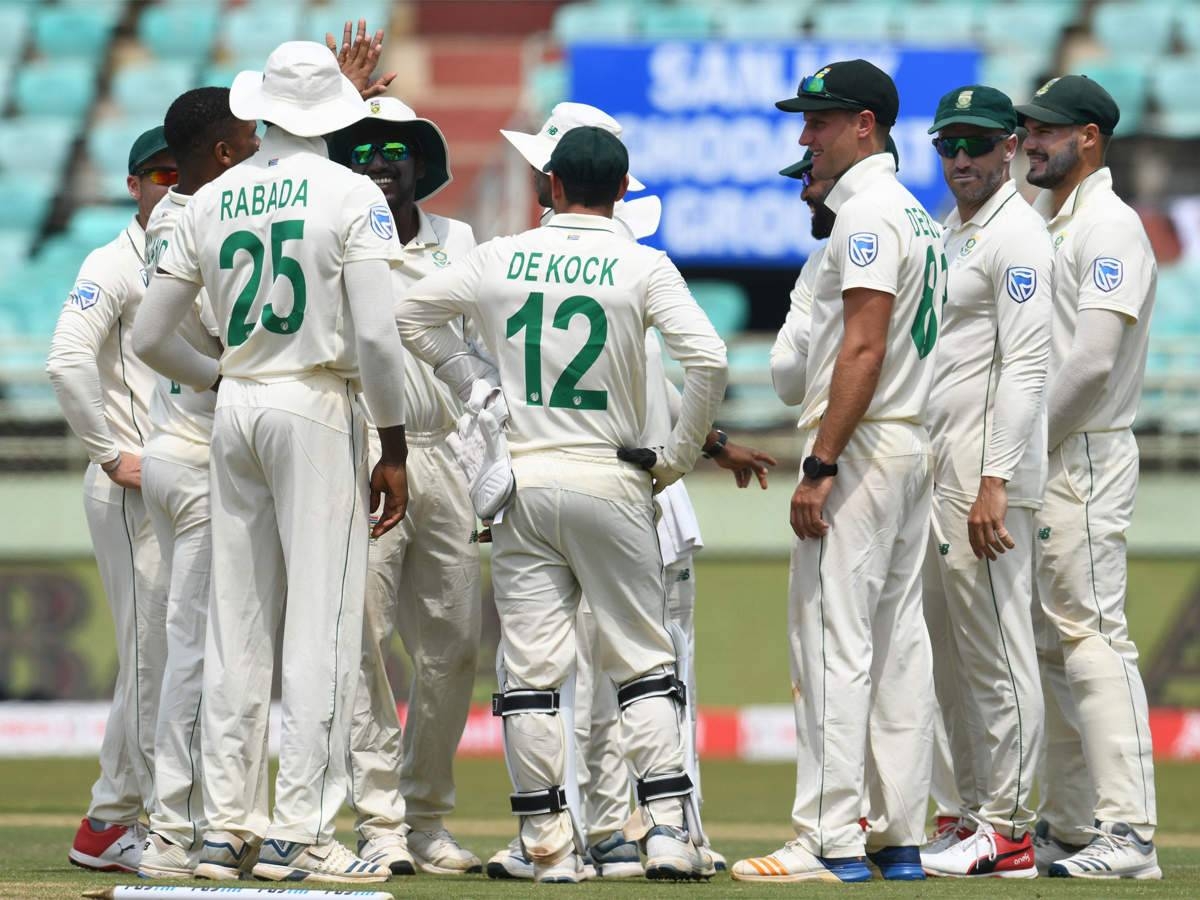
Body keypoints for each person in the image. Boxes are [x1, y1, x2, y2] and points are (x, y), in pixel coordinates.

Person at [397, 125, 728, 883]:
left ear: (549, 186)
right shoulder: (643, 263)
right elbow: (707, 359)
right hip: (612, 475)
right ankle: (669, 833)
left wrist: (473, 379)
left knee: (531, 672)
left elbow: (413, 315)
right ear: (621, 190)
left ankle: (545, 843)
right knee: (643, 661)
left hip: (524, 478)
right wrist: (676, 457)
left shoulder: (499, 256)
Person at [132, 41, 410, 883]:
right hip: (317, 401)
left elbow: (149, 337)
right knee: (320, 623)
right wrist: (393, 442)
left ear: (261, 112)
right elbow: (374, 335)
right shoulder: (354, 193)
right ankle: (301, 832)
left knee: (237, 626)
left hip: (239, 405)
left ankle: (224, 831)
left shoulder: (211, 197)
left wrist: (218, 377)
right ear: (335, 111)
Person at [734, 59, 944, 883]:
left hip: (863, 445)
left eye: (818, 122)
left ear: (866, 125)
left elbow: (864, 344)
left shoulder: (863, 217)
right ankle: (896, 835)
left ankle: (826, 837)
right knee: (896, 650)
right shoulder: (914, 214)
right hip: (908, 441)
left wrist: (821, 461)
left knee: (833, 640)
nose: (803, 137)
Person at [326, 96, 483, 877]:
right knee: (363, 639)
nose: (377, 165)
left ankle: (426, 818)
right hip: (361, 446)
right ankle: (379, 822)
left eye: (393, 151)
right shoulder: (336, 233)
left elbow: (484, 358)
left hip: (446, 450)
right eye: (359, 152)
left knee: (453, 645)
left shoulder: (461, 241)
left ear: (420, 164)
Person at [1016, 75, 1161, 880]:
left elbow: (1093, 364)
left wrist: (1018, 451)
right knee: (1051, 644)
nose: (1032, 141)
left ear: (1091, 138)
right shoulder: (1053, 222)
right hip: (1053, 452)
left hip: (1086, 450)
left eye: (1049, 130)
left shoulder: (1109, 226)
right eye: (1029, 129)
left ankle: (1130, 833)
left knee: (1092, 634)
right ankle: (1073, 827)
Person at [916, 84, 1052, 879]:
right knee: (955, 657)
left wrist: (995, 478)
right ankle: (972, 814)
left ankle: (1010, 831)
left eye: (976, 142)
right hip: (943, 466)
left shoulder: (1020, 237)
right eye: (948, 144)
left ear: (1010, 146)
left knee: (999, 652)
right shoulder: (947, 233)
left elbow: (1028, 365)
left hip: (985, 472)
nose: (959, 157)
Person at [135, 88, 260, 878]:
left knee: (199, 644)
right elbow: (221, 332)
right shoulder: (200, 221)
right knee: (204, 648)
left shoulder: (175, 217)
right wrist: (225, 380)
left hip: (178, 451)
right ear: (220, 154)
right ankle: (181, 829)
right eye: (250, 139)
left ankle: (182, 823)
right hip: (201, 449)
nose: (258, 149)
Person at [47, 126, 174, 875]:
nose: (170, 184)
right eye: (157, 173)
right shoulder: (112, 262)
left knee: (171, 650)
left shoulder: (195, 254)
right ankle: (118, 820)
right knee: (149, 652)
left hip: (183, 481)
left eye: (178, 171)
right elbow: (67, 361)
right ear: (133, 185)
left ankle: (126, 817)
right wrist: (108, 452)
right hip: (132, 481)